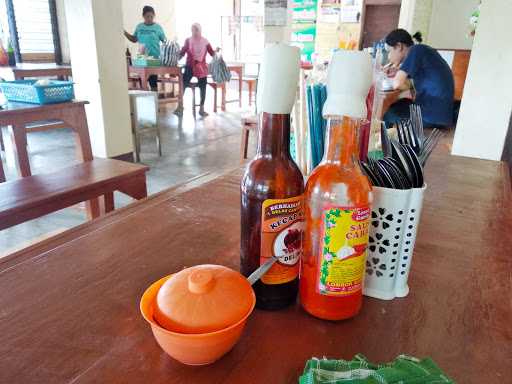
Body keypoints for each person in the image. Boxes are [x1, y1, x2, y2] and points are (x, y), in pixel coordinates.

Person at [383, 29, 454, 128]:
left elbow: (397, 84)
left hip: (431, 115)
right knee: (401, 103)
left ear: (399, 46)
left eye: (390, 51)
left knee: (388, 113)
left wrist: (393, 74)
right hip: (441, 114)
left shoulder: (416, 51)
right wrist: (397, 71)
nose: (389, 56)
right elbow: (409, 81)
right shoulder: (423, 50)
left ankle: (385, 141)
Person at [124, 5, 166, 92]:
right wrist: (124, 32)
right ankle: (144, 99)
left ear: (154, 16)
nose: (149, 18)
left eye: (151, 16)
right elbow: (134, 39)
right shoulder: (139, 27)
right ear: (143, 16)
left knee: (153, 81)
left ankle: (154, 100)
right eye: (147, 16)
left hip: (154, 57)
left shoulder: (158, 27)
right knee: (142, 79)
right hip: (142, 56)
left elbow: (165, 41)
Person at [179, 23, 216, 117]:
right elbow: (182, 52)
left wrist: (217, 52)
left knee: (203, 85)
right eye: (192, 30)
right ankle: (179, 106)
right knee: (183, 83)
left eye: (196, 30)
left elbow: (212, 53)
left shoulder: (205, 41)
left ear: (200, 30)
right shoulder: (188, 40)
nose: (194, 32)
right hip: (190, 66)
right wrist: (176, 56)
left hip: (200, 68)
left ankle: (201, 109)